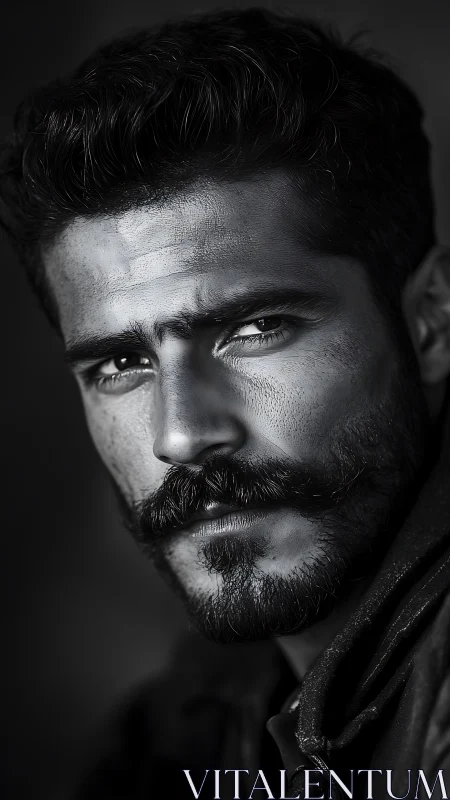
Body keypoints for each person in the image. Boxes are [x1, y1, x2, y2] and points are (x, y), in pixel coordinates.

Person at [1, 7, 450, 798]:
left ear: (432, 321)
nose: (182, 434)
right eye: (121, 362)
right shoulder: (200, 712)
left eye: (255, 327)